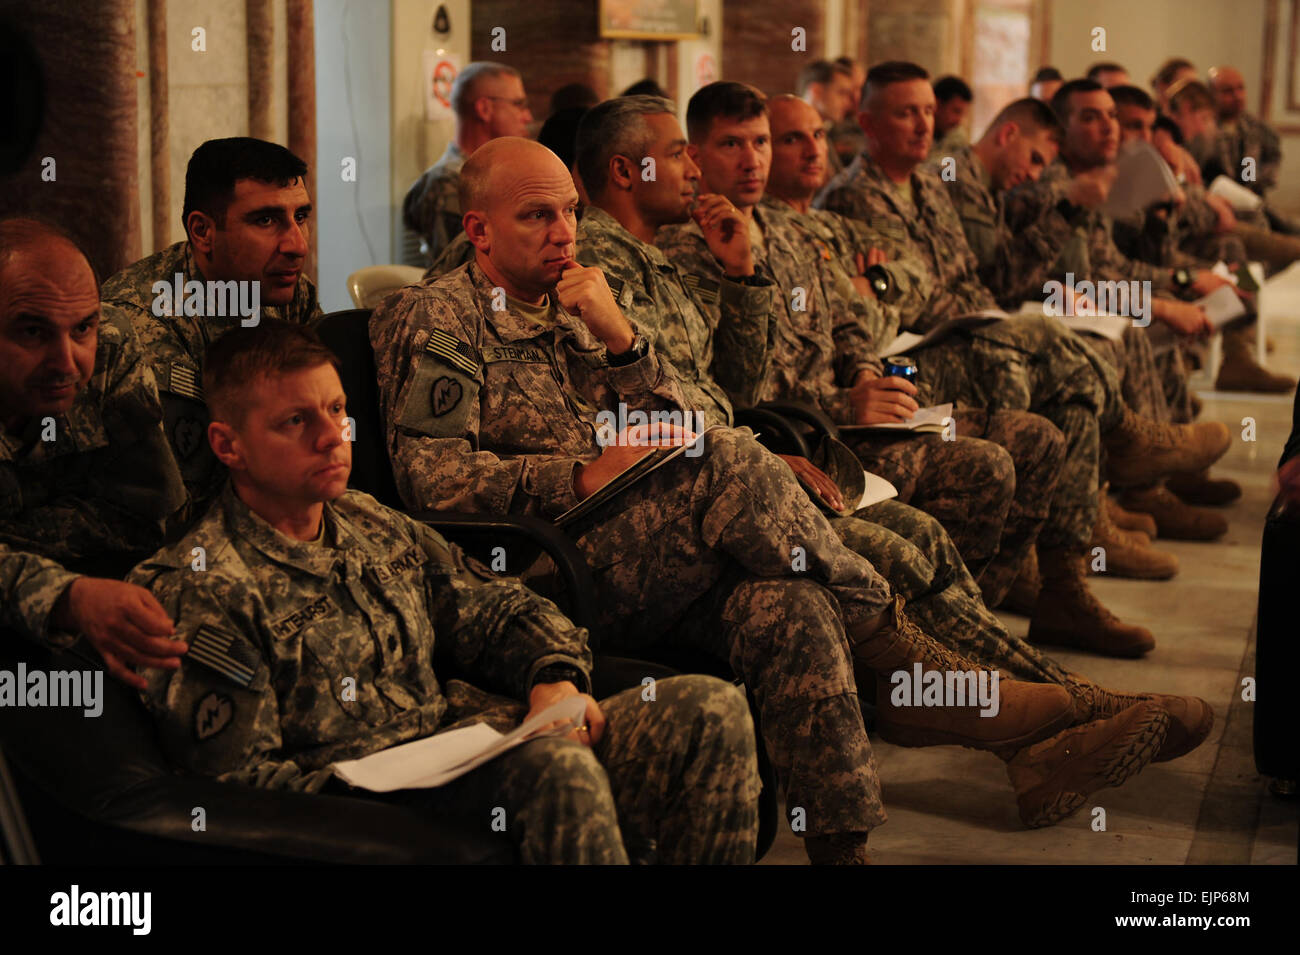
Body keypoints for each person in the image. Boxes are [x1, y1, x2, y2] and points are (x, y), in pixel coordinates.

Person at [371, 135, 1084, 859]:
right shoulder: (438, 317)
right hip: (536, 572)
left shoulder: (575, 299)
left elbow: (680, 419)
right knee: (732, 454)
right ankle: (898, 654)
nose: (563, 233)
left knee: (790, 604)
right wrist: (577, 475)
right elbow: (433, 482)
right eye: (536, 217)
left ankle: (842, 848)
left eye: (569, 213)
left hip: (645, 548)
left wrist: (620, 339)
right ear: (479, 230)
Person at [575, 95, 1210, 825]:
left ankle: (1045, 711)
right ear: (627, 169)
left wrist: (748, 277)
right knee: (896, 546)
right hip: (718, 485)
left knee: (925, 533)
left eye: (767, 142)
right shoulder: (609, 269)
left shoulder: (691, 248)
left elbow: (736, 383)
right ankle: (1038, 707)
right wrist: (782, 428)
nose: (715, 165)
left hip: (761, 456)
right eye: (699, 149)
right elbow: (685, 408)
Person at [129, 319, 761, 864]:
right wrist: (407, 780)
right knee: (557, 771)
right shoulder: (203, 586)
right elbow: (241, 786)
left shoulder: (369, 521)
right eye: (295, 421)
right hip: (371, 806)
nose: (331, 437)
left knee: (711, 711)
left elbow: (496, 607)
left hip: (469, 746)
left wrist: (554, 681)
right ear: (227, 445)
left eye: (336, 410)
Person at [814, 61, 1231, 654]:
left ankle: (1065, 585)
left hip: (969, 328)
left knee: (1069, 398)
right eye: (906, 112)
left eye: (928, 111)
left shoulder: (932, 185)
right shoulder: (854, 196)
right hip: (909, 354)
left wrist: (1017, 290)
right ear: (867, 121)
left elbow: (990, 275)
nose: (923, 125)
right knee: (1029, 352)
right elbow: (910, 297)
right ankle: (1132, 444)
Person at [660, 87, 1059, 607]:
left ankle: (976, 617)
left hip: (860, 420)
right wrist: (847, 404)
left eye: (760, 142)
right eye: (731, 145)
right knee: (987, 468)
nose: (752, 159)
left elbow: (846, 322)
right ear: (696, 155)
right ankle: (935, 637)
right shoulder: (685, 251)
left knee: (1038, 438)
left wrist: (869, 377)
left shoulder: (791, 231)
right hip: (806, 438)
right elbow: (738, 388)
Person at [0, 217, 187, 689]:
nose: (67, 363)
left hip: (100, 596)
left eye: (82, 327)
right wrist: (66, 596)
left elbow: (147, 518)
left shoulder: (110, 347)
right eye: (32, 332)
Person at [101, 137, 321, 525]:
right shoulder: (141, 325)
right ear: (203, 232)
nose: (297, 245)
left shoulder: (287, 292)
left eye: (300, 216)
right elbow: (176, 505)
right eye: (266, 220)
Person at [402, 62, 534, 263]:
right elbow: (457, 273)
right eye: (518, 104)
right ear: (484, 109)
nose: (527, 116)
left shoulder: (487, 177)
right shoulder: (448, 183)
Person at [930, 75, 973, 158]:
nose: (959, 120)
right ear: (937, 105)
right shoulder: (917, 135)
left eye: (963, 114)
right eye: (956, 111)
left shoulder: (957, 136)